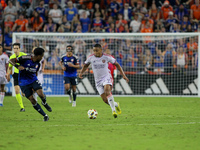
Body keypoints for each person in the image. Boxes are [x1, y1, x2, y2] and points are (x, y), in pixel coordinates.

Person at [79, 44, 129, 118]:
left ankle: (113, 111)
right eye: (94, 50)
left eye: (97, 50)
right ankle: (116, 104)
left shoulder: (106, 57)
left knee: (107, 90)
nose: (95, 52)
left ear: (101, 50)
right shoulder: (91, 58)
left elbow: (117, 64)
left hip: (106, 77)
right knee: (105, 100)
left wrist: (123, 75)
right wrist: (81, 73)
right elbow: (86, 65)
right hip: (98, 81)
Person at [8, 47, 52, 121]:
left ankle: (44, 102)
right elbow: (11, 60)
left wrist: (35, 82)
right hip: (23, 82)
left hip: (33, 80)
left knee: (40, 94)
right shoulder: (25, 58)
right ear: (38, 56)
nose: (42, 58)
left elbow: (36, 72)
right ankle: (45, 115)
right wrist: (17, 66)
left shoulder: (38, 63)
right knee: (32, 100)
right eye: (42, 56)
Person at [6, 43, 26, 112]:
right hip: (16, 74)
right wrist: (8, 74)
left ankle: (23, 91)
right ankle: (22, 107)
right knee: (17, 90)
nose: (15, 50)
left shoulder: (24, 55)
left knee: (23, 93)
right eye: (14, 48)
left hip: (23, 74)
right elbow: (9, 67)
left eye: (17, 48)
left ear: (19, 49)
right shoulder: (12, 57)